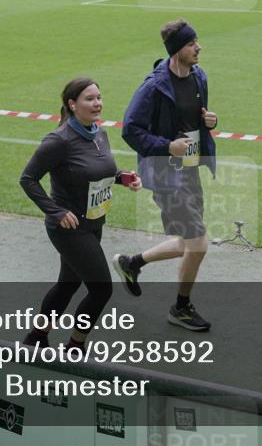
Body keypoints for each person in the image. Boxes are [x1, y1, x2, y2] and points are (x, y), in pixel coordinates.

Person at [19, 77, 141, 350]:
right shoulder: (59, 141)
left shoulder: (99, 133)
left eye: (99, 97)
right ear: (72, 104)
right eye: (90, 99)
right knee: (101, 289)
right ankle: (75, 347)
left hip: (94, 222)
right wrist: (56, 211)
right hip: (69, 229)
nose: (97, 103)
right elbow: (28, 179)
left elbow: (101, 172)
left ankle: (36, 338)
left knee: (68, 283)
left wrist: (124, 178)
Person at [113, 19, 218, 332]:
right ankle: (181, 308)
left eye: (196, 41)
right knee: (198, 243)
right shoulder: (153, 87)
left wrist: (209, 123)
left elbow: (194, 119)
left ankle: (132, 263)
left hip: (190, 169)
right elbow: (130, 130)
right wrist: (167, 146)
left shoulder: (199, 77)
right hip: (165, 175)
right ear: (176, 50)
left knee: (188, 242)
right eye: (191, 44)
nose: (198, 47)